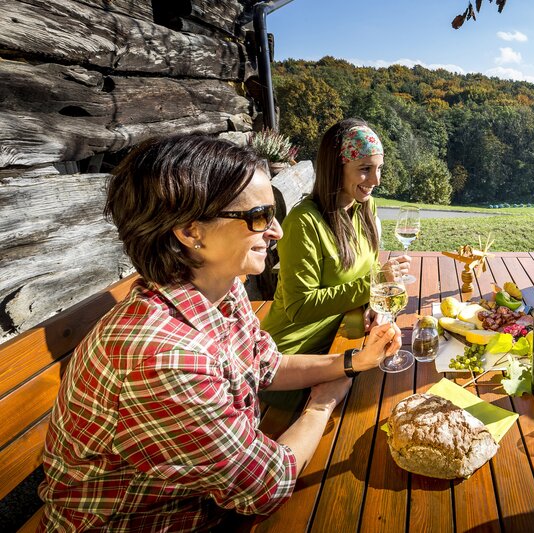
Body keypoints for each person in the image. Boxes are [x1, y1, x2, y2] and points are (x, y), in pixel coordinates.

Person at [38, 135, 402, 531]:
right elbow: (266, 486)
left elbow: (265, 365)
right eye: (260, 216)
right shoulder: (164, 359)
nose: (277, 231)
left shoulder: (219, 288)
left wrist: (352, 362)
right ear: (191, 232)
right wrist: (319, 406)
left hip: (199, 497)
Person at [261, 118, 409, 366]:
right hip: (295, 354)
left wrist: (374, 305)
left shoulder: (365, 207)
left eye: (379, 168)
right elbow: (299, 307)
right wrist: (375, 285)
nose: (376, 180)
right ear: (336, 168)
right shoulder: (304, 222)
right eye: (365, 169)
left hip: (344, 340)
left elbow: (366, 271)